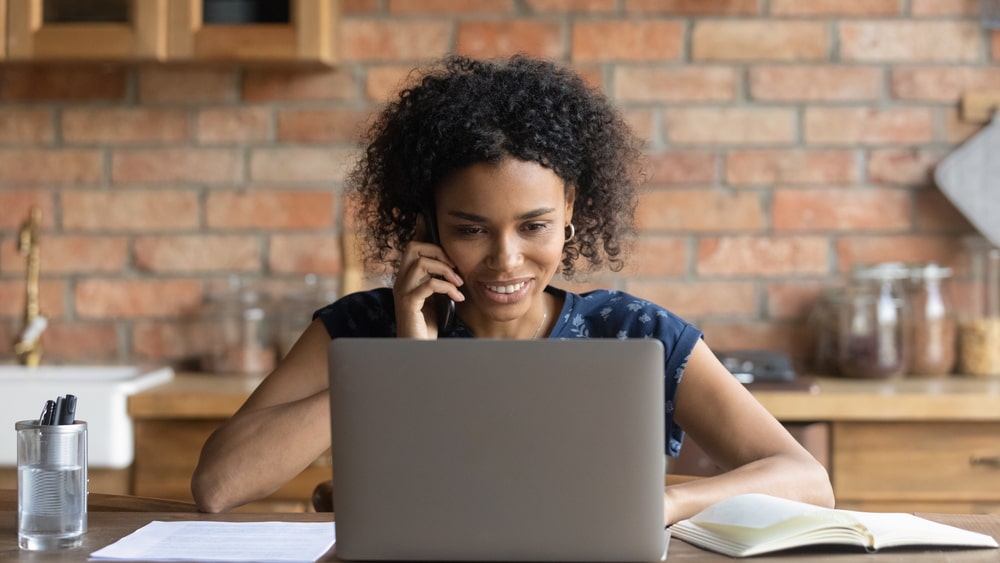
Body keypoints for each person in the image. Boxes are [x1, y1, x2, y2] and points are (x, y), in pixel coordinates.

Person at [191, 54, 834, 523]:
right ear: (425, 224)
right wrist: (398, 370)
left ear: (571, 210)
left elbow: (807, 480)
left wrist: (669, 500)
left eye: (534, 226)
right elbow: (218, 485)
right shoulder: (363, 329)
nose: (506, 260)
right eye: (471, 229)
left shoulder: (635, 335)